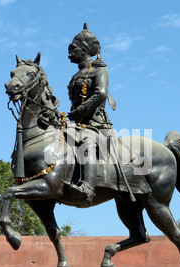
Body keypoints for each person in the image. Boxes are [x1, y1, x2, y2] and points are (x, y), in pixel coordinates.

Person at [67, 23, 114, 203]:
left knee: (86, 141)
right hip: (77, 123)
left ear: (85, 50)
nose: (69, 53)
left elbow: (100, 94)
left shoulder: (100, 70)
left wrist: (79, 111)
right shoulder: (77, 75)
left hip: (95, 124)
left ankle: (88, 187)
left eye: (73, 49)